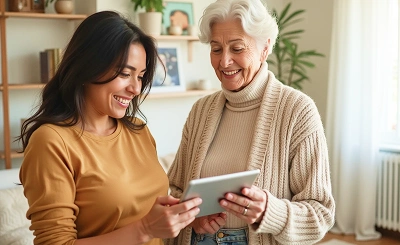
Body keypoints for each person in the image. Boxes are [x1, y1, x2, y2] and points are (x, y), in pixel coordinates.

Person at [17, 11, 202, 245]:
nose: (135, 88)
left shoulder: (138, 130)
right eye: (125, 74)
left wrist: (188, 219)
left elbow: (152, 213)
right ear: (88, 67)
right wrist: (143, 229)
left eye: (141, 76)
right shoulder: (51, 141)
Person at [164, 0, 335, 244]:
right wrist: (193, 217)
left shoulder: (298, 111)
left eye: (237, 48)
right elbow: (175, 190)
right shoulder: (200, 110)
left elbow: (320, 214)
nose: (224, 62)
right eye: (216, 49)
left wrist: (270, 212)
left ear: (265, 48)